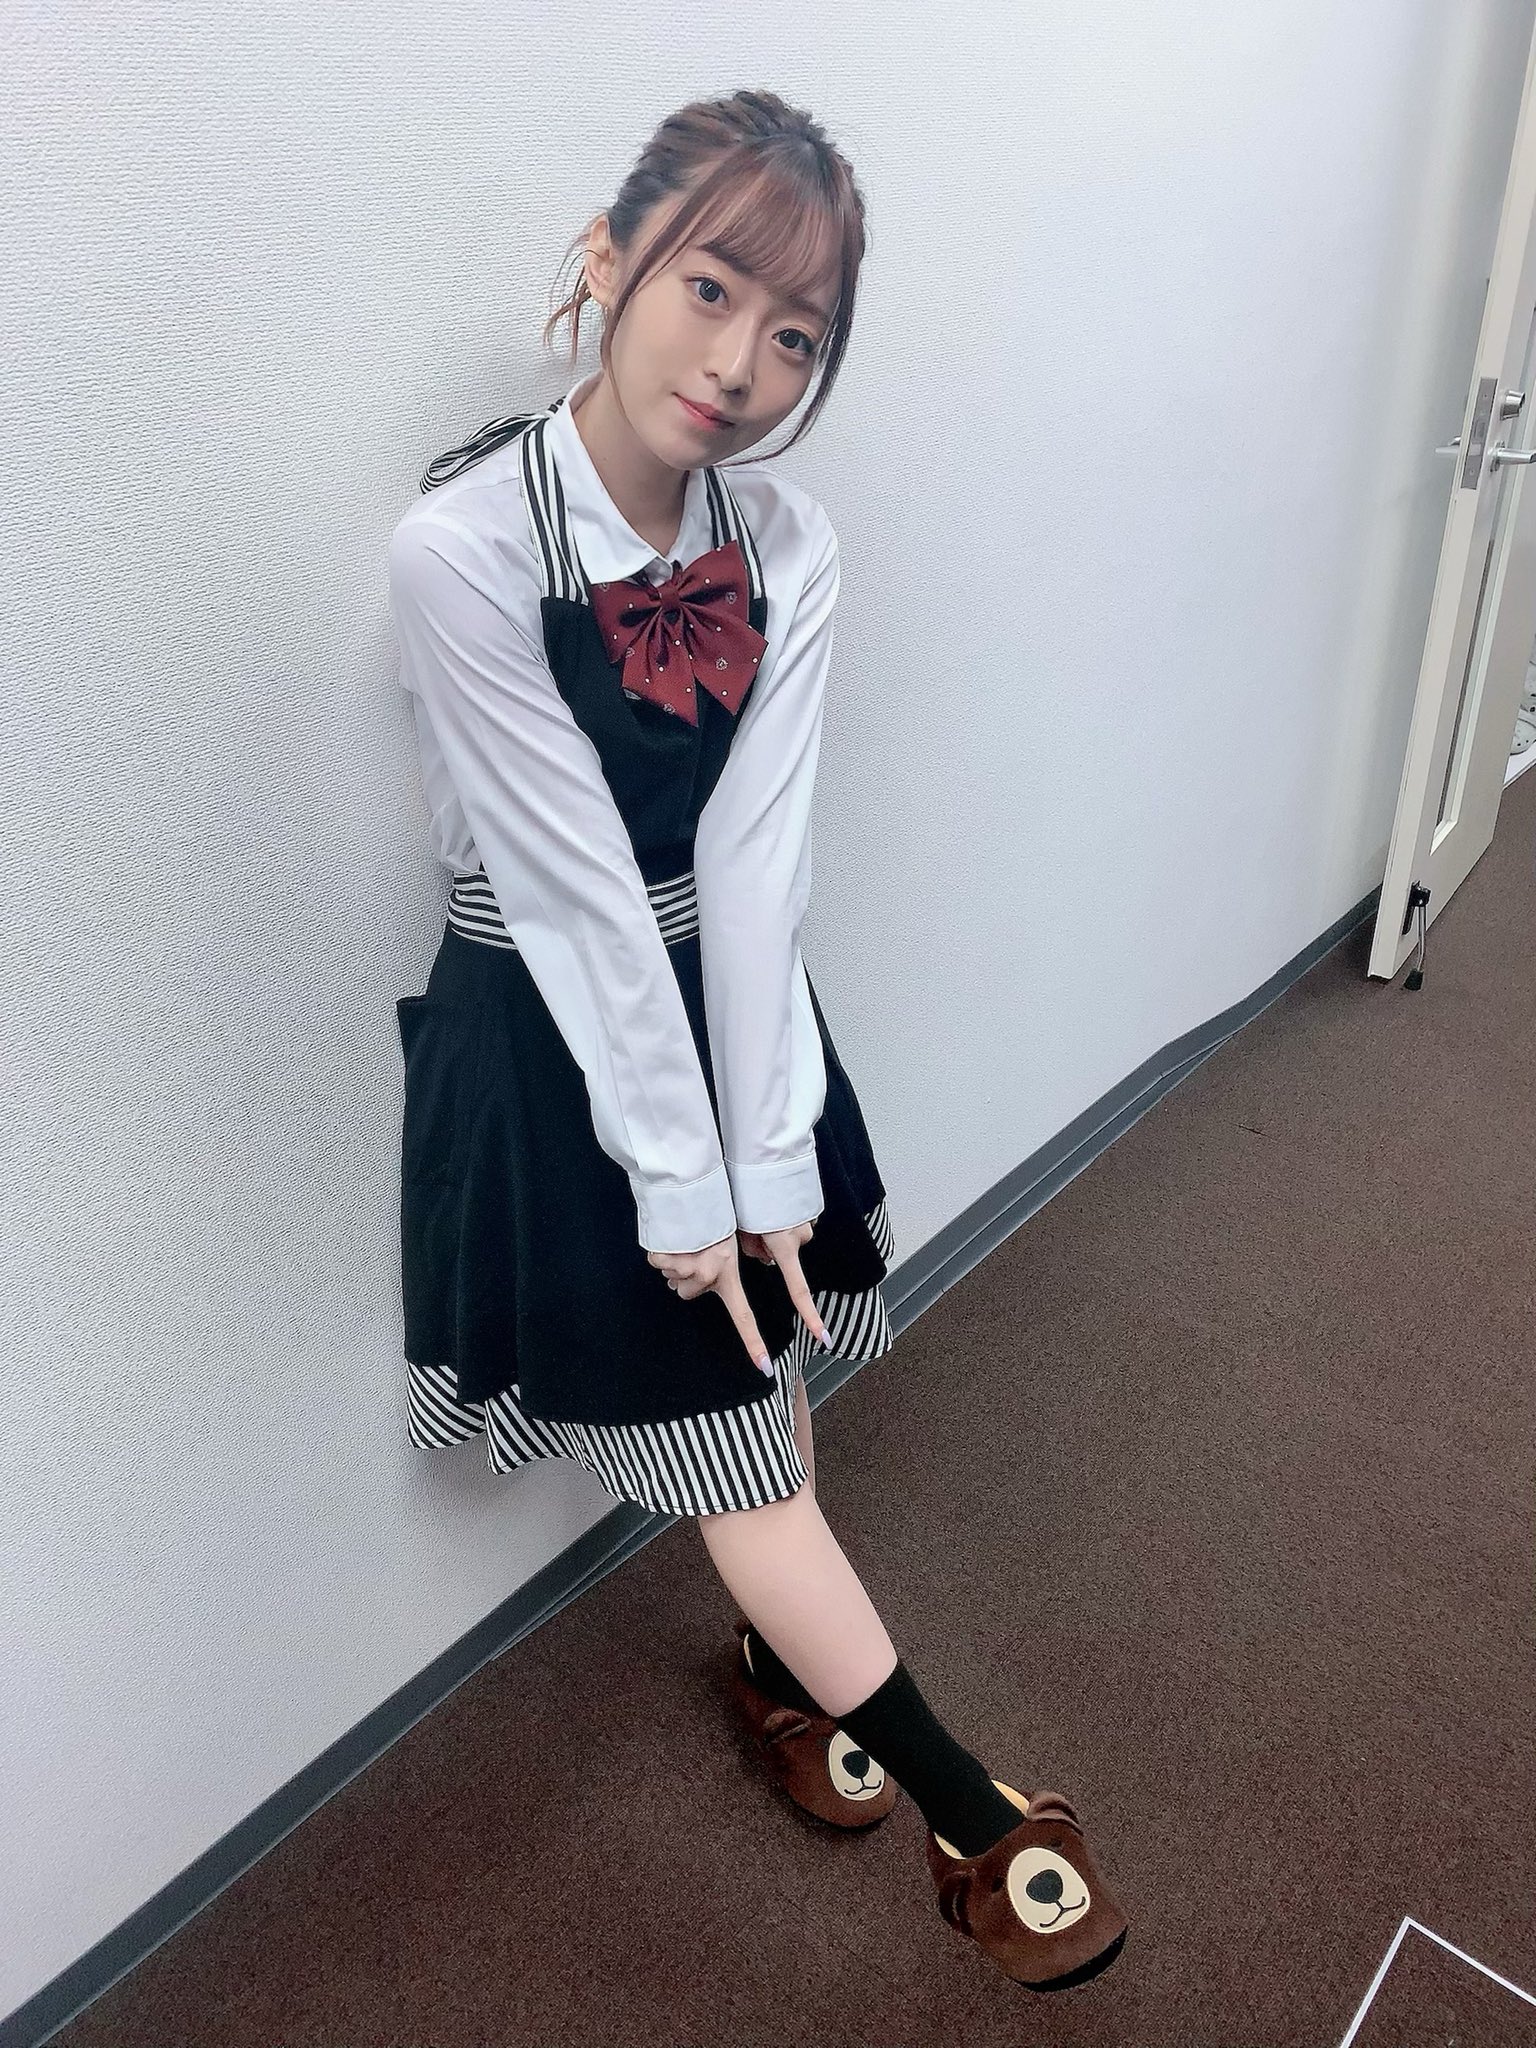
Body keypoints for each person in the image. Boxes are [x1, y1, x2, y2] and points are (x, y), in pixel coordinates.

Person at [387, 86, 1126, 1992]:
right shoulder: (462, 548)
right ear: (609, 259)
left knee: (769, 1376)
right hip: (557, 1033)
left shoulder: (786, 543)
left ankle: (784, 1677)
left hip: (732, 994)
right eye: (711, 289)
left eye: (796, 335)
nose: (739, 366)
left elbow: (752, 862)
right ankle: (977, 1823)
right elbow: (570, 895)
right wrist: (681, 1178)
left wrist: (769, 1150)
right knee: (750, 1453)